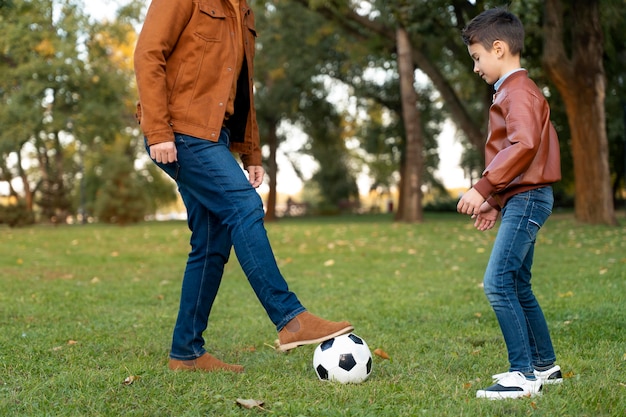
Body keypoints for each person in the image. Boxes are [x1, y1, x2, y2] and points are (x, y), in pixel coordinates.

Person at [133, 0, 353, 373]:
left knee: (211, 240)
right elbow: (147, 54)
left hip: (213, 135)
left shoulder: (243, 11)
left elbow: (242, 87)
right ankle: (289, 318)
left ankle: (186, 352)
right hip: (180, 131)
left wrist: (251, 151)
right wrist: (157, 130)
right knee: (244, 207)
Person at [458, 8, 563, 399]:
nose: (475, 67)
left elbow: (524, 145)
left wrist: (483, 188)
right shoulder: (514, 90)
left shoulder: (518, 90)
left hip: (530, 198)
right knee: (517, 282)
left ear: (498, 48)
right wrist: (498, 201)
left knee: (499, 283)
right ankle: (545, 366)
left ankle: (521, 375)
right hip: (522, 197)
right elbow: (523, 156)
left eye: (477, 58)